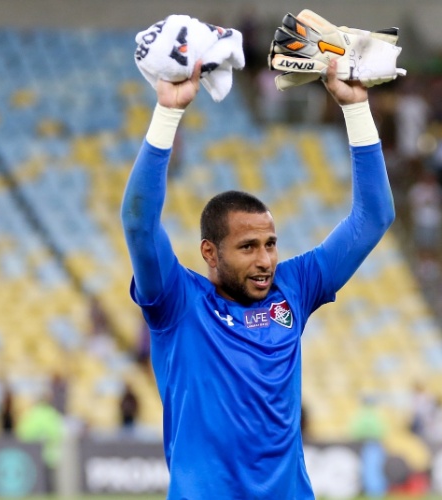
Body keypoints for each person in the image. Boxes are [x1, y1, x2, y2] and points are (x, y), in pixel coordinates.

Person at [120, 59, 395, 498]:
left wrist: (357, 107)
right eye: (248, 247)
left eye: (270, 244)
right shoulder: (177, 302)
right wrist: (168, 113)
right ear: (210, 253)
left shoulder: (294, 288)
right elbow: (138, 224)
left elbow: (374, 217)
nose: (265, 259)